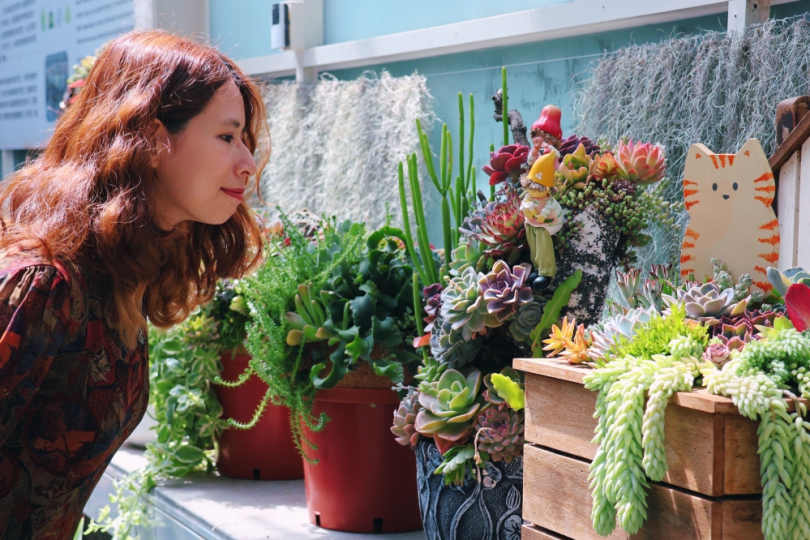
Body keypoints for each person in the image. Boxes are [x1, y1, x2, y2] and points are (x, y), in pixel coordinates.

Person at [0, 30, 269, 539]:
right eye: (227, 136)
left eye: (246, 140)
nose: (248, 163)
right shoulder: (44, 286)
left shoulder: (124, 279)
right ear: (151, 139)